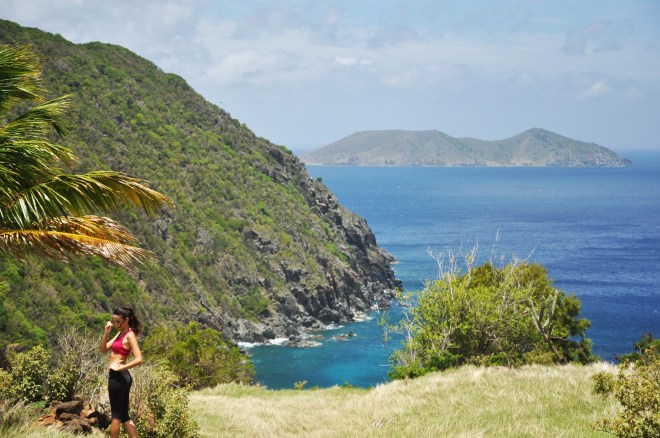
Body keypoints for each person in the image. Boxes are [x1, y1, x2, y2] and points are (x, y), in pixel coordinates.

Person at [100, 306, 144, 438]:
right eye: (114, 322)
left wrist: (121, 367)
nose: (116, 324)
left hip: (118, 377)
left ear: (127, 320)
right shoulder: (120, 333)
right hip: (121, 377)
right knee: (124, 416)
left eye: (118, 322)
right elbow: (103, 349)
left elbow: (139, 359)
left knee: (116, 416)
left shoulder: (129, 335)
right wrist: (107, 333)